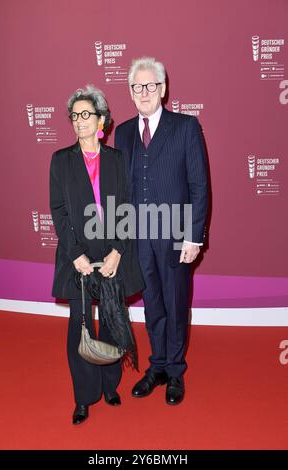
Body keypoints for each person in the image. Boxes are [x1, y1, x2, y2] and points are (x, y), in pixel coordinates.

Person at [115, 57, 208, 405]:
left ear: (163, 89)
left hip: (175, 236)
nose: (144, 92)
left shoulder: (185, 127)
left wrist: (193, 237)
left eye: (150, 85)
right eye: (137, 87)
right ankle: (157, 366)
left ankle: (176, 372)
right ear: (130, 92)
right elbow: (119, 188)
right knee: (152, 305)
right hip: (138, 238)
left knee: (175, 303)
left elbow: (199, 186)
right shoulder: (122, 132)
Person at [50, 85, 144, 424]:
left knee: (112, 321)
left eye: (86, 115)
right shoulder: (61, 160)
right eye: (75, 116)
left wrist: (119, 250)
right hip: (78, 258)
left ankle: (110, 385)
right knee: (81, 326)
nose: (79, 121)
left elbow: (127, 208)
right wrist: (75, 254)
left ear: (101, 119)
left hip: (111, 255)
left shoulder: (117, 160)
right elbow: (59, 210)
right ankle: (84, 396)